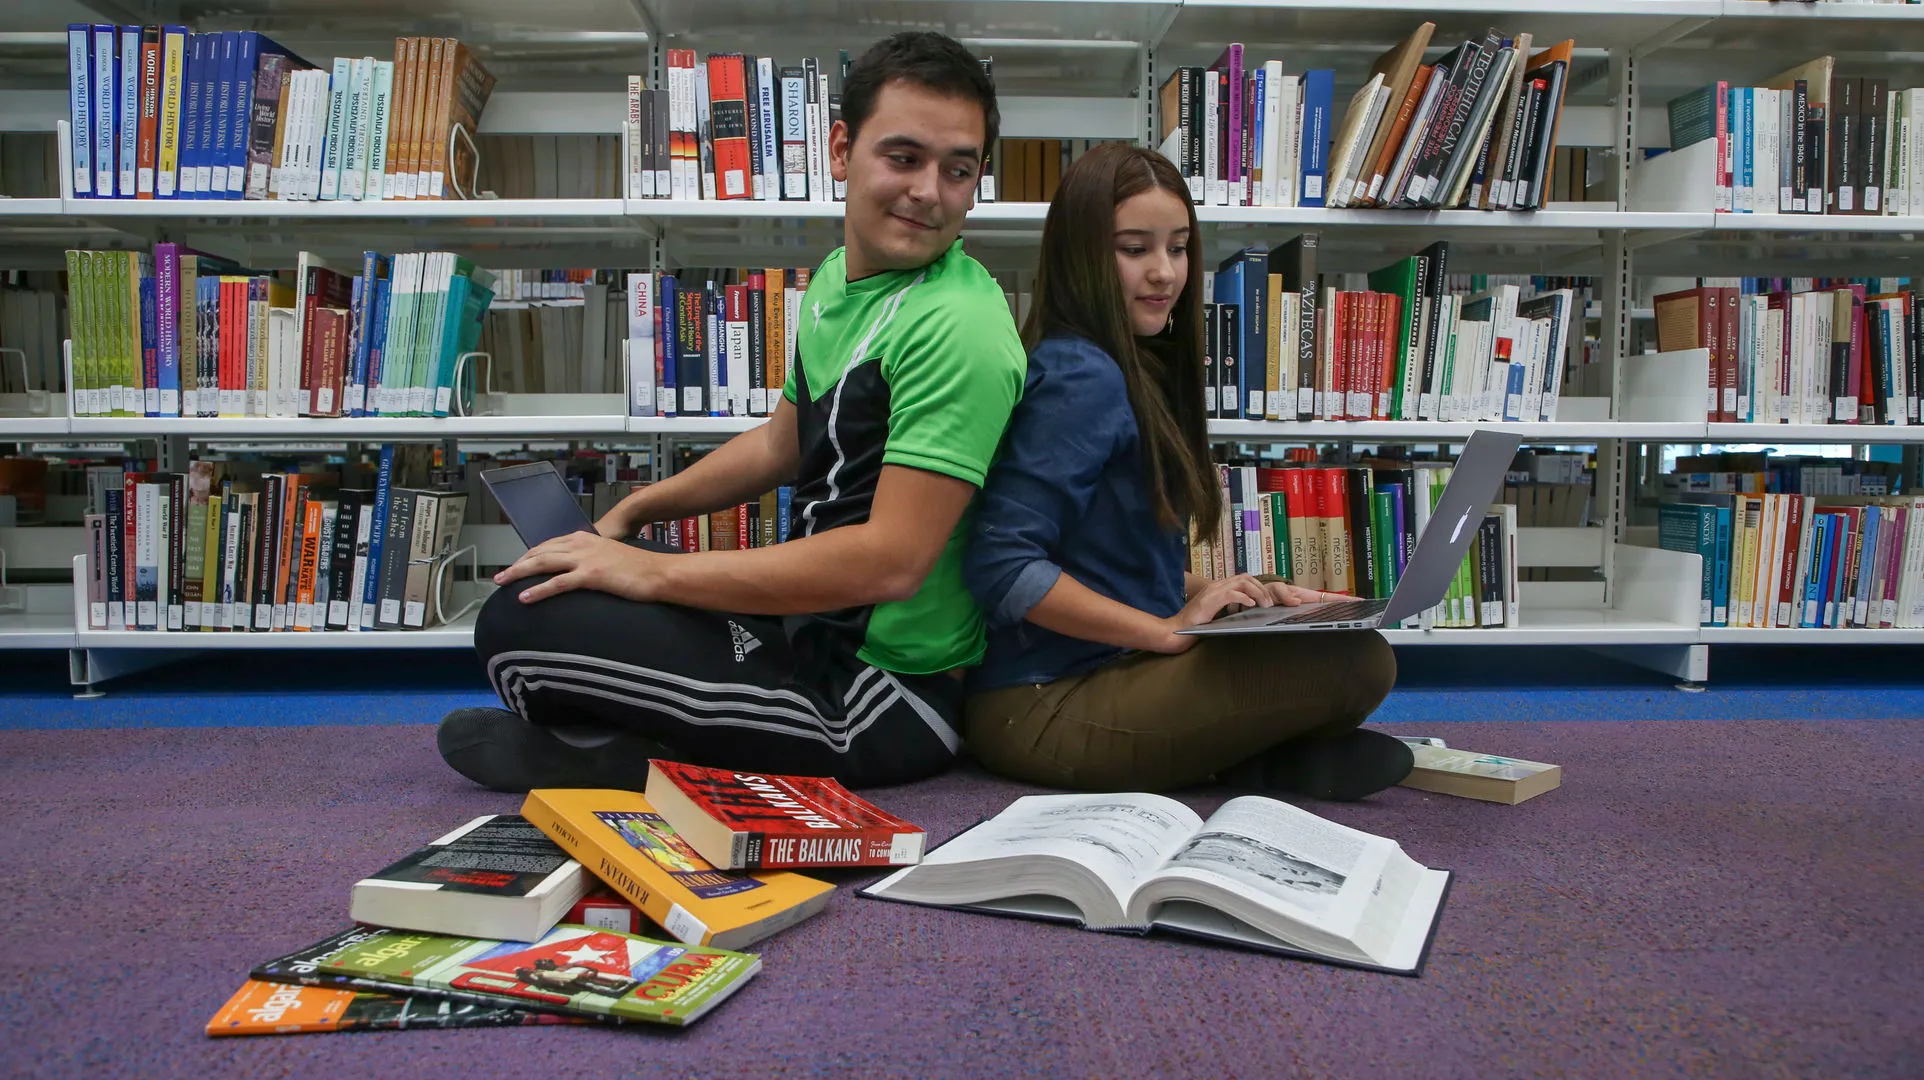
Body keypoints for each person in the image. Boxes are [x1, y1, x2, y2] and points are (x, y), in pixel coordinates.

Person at [439, 31, 1025, 793]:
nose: (930, 192)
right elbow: (780, 444)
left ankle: (620, 757)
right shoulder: (837, 283)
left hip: (880, 696)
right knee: (551, 589)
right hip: (803, 628)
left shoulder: (961, 326)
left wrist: (650, 575)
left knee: (517, 634)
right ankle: (631, 736)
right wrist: (631, 518)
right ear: (842, 150)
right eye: (904, 158)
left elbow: (893, 561)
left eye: (959, 169)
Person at [960, 142, 1408, 801]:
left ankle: (1240, 762)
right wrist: (1167, 628)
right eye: (1134, 248)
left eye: (1178, 246)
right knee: (1357, 663)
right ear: (1082, 254)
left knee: (1343, 647)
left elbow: (1113, 559)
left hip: (1107, 674)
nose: (1165, 272)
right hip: (1037, 704)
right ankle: (1250, 762)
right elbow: (1001, 566)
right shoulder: (1081, 375)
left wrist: (1233, 592)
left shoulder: (1134, 363)